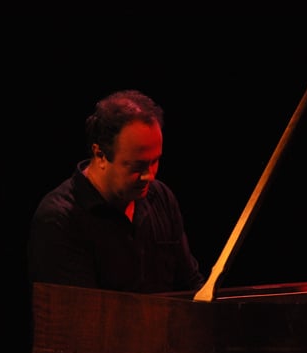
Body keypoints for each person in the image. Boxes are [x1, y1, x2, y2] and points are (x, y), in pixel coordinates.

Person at [27, 89, 206, 293]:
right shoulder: (60, 218)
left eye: (155, 161)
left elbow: (190, 285)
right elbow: (79, 311)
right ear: (100, 155)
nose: (149, 176)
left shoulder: (161, 197)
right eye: (137, 165)